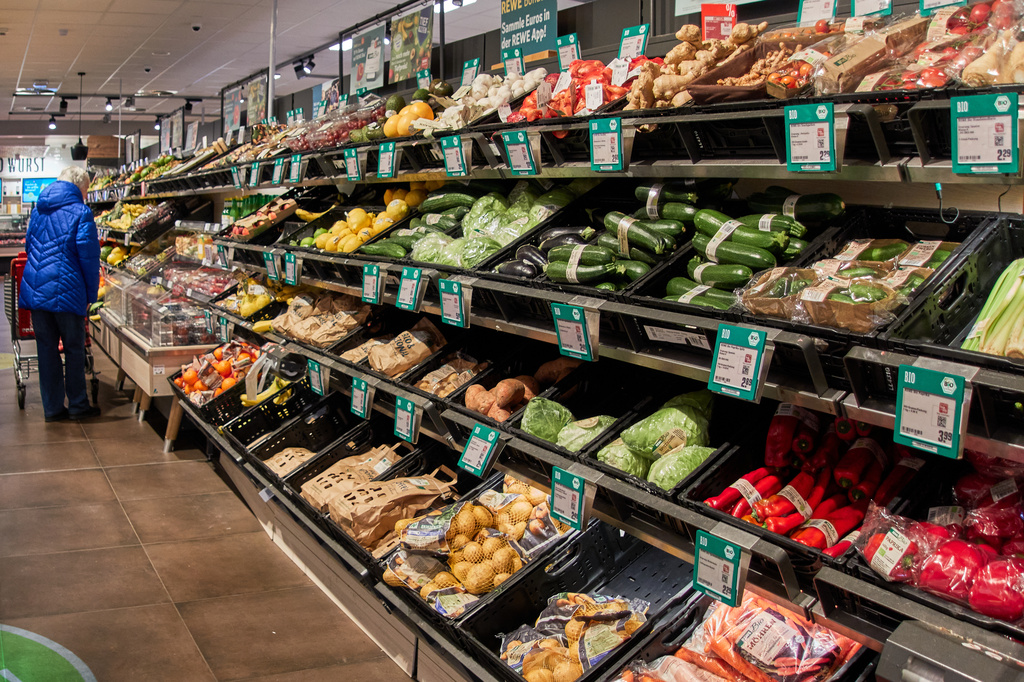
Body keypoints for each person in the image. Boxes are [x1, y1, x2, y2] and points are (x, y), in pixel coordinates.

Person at [18, 166, 101, 422]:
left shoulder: (38, 210)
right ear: (80, 187)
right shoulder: (81, 212)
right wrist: (90, 294)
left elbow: (29, 245)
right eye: (86, 190)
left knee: (46, 349)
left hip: (36, 289)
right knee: (75, 349)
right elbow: (88, 257)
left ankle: (52, 408)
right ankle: (77, 405)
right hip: (67, 290)